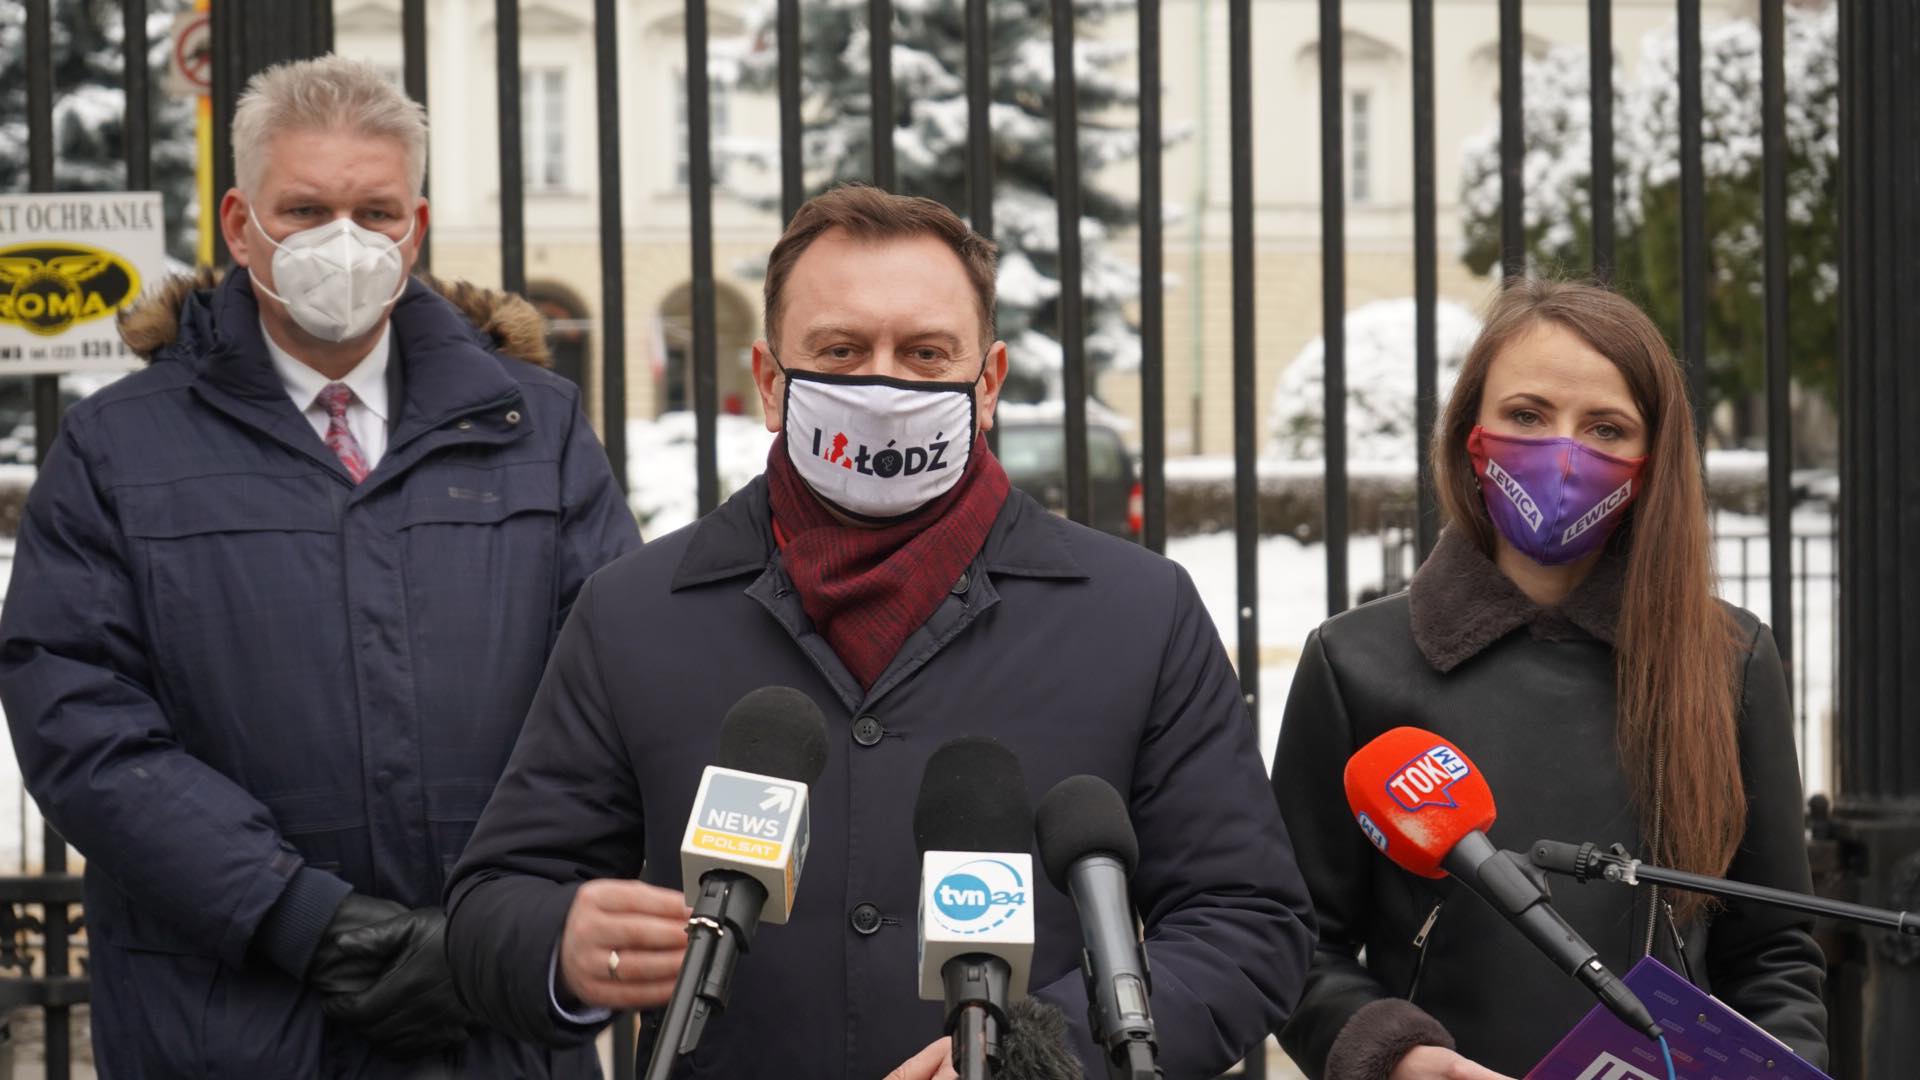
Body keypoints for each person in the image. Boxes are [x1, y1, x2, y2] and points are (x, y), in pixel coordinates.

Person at [443, 184, 1317, 1080]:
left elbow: (1248, 922)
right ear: (771, 382)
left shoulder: (1137, 613)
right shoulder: (636, 613)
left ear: (988, 383)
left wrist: (1042, 1056)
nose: (883, 386)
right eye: (842, 351)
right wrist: (560, 942)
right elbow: (493, 907)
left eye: (926, 353)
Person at [0, 56, 638, 1076]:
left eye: (374, 212)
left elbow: (610, 701)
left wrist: (492, 935)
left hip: (489, 1018)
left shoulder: (537, 430)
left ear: (414, 228)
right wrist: (299, 916)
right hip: (223, 1020)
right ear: (240, 222)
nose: (343, 241)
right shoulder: (119, 446)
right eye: (304, 210)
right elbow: (81, 721)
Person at [1271, 278, 1828, 1080]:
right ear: (1471, 432)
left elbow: (1773, 953)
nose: (1564, 456)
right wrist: (1396, 1055)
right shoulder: (1354, 662)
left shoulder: (1729, 658)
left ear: (1650, 461)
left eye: (1606, 428)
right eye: (1527, 416)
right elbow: (1295, 943)